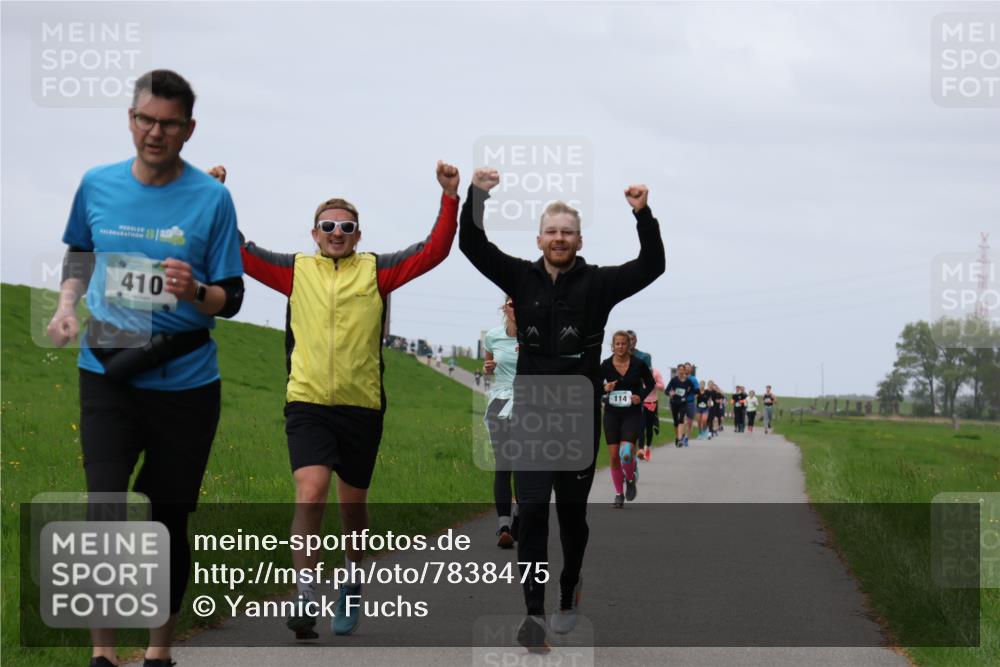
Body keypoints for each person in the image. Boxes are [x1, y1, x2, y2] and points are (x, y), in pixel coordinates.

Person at [46, 70, 244, 667]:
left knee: (167, 517)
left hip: (185, 381)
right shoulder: (96, 184)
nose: (155, 132)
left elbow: (231, 298)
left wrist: (195, 291)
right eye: (145, 119)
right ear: (130, 120)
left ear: (189, 129)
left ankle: (158, 652)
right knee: (103, 510)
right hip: (106, 369)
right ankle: (103, 655)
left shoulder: (212, 199)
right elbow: (80, 253)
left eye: (168, 123)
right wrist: (65, 306)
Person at [215, 160, 460, 638]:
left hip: (360, 406)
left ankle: (350, 580)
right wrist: (215, 196)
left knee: (353, 510)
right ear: (314, 233)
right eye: (328, 227)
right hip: (306, 401)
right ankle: (306, 593)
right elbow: (235, 246)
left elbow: (433, 251)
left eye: (346, 228)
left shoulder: (376, 271)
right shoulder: (294, 271)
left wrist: (449, 196)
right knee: (310, 492)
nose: (337, 234)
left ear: (358, 235)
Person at [459, 168, 664, 651]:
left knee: (571, 517)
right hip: (531, 415)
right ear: (539, 239)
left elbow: (652, 265)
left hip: (576, 418)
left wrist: (643, 214)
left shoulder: (598, 283)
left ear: (579, 240)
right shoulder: (519, 276)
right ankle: (533, 614)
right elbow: (472, 244)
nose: (559, 238)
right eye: (551, 232)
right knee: (531, 511)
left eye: (567, 232)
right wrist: (477, 195)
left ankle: (568, 588)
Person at [601, 331, 655, 507]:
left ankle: (630, 479)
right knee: (614, 456)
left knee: (625, 453)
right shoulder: (606, 365)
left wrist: (641, 396)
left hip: (631, 413)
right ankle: (619, 494)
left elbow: (651, 383)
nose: (620, 346)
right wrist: (604, 388)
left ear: (629, 345)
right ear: (613, 346)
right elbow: (595, 385)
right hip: (611, 414)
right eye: (617, 343)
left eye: (623, 343)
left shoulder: (638, 364)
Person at [483, 295, 519, 548]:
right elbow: (487, 367)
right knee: (503, 464)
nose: (516, 308)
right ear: (505, 308)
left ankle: (519, 518)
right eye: (511, 304)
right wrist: (488, 368)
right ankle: (504, 525)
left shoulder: (534, 336)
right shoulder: (493, 336)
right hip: (499, 403)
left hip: (528, 403)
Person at [666, 364, 696, 447]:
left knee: (681, 419)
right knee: (676, 422)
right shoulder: (674, 380)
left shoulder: (688, 381)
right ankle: (677, 437)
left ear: (684, 371)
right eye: (679, 369)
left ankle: (680, 439)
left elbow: (693, 390)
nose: (681, 371)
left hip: (683, 403)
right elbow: (666, 390)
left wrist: (686, 395)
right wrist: (670, 393)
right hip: (674, 402)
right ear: (677, 370)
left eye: (682, 370)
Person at [639, 366, 664, 460]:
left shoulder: (656, 373)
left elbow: (662, 387)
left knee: (649, 427)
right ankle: (641, 449)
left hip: (652, 403)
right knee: (641, 426)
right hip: (641, 401)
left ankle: (647, 448)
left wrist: (653, 383)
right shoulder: (638, 370)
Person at [683, 362, 700, 442]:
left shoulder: (693, 379)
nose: (687, 369)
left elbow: (697, 391)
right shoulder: (680, 378)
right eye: (685, 367)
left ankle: (687, 437)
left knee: (689, 422)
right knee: (682, 420)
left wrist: (694, 396)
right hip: (681, 403)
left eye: (688, 368)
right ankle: (681, 436)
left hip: (690, 402)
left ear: (691, 369)